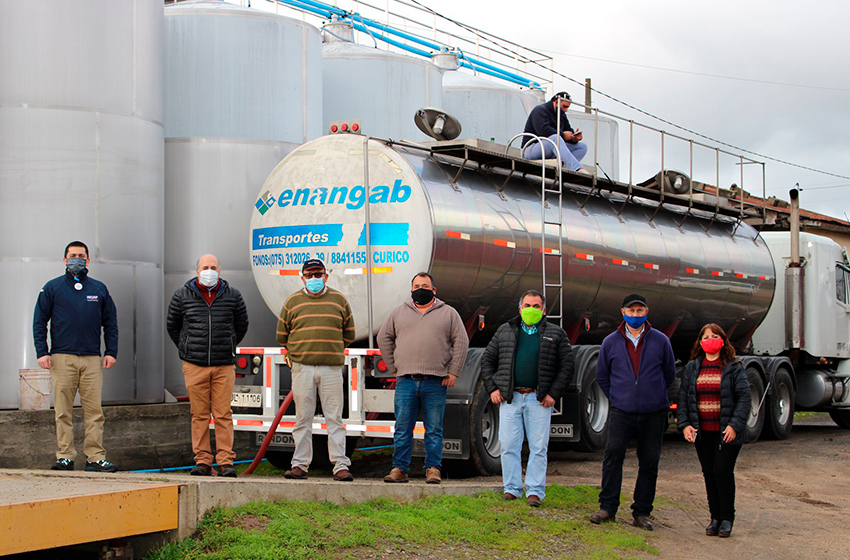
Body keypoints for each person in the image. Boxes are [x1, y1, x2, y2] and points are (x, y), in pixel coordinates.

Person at [481, 290, 574, 507]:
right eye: (527, 305)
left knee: (538, 447)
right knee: (509, 445)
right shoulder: (505, 331)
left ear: (543, 310)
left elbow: (567, 366)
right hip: (510, 399)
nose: (531, 309)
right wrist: (493, 388)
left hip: (539, 400)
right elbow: (487, 361)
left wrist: (553, 393)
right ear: (519, 308)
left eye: (536, 306)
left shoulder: (556, 334)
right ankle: (512, 488)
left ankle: (535, 491)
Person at [591, 293, 676, 530]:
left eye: (640, 311)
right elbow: (602, 376)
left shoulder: (661, 341)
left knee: (649, 462)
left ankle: (641, 513)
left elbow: (669, 374)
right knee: (613, 457)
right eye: (631, 311)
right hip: (622, 412)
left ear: (647, 312)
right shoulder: (611, 342)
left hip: (653, 413)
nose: (635, 315)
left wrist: (652, 395)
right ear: (623, 313)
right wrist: (619, 397)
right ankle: (607, 508)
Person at [33, 241, 119, 473]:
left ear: (88, 260)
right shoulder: (52, 288)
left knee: (94, 412)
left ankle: (95, 457)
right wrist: (42, 352)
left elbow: (110, 322)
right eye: (72, 255)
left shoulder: (99, 289)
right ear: (64, 260)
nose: (77, 259)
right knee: (63, 411)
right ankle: (64, 456)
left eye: (81, 255)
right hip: (62, 358)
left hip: (91, 359)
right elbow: (39, 321)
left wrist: (111, 351)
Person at [378, 272, 469, 484]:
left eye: (425, 285)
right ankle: (399, 469)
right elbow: (384, 337)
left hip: (435, 382)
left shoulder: (448, 313)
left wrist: (454, 371)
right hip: (406, 381)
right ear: (411, 290)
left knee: (434, 429)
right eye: (417, 285)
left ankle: (433, 469)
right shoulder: (399, 312)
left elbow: (461, 341)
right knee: (402, 428)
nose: (421, 289)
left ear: (434, 290)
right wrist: (393, 367)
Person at [167, 254, 249, 477]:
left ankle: (225, 461)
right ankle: (203, 460)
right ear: (197, 271)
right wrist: (187, 348)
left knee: (223, 414)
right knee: (199, 414)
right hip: (195, 364)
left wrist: (228, 346)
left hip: (224, 365)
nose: (209, 270)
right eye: (205, 267)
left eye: (213, 267)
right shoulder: (182, 295)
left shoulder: (233, 295)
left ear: (219, 271)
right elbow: (173, 325)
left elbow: (241, 325)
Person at [276, 259, 356, 481]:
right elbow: (281, 335)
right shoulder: (292, 302)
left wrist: (329, 350)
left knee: (335, 418)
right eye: (309, 276)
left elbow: (349, 333)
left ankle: (340, 465)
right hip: (302, 369)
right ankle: (300, 465)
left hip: (331, 369)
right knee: (303, 418)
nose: (314, 279)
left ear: (326, 276)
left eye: (318, 274)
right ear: (302, 278)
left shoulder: (339, 300)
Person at [678, 324, 751, 538]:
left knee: (722, 472)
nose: (710, 339)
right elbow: (684, 398)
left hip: (726, 432)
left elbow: (744, 399)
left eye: (714, 336)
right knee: (709, 473)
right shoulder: (693, 367)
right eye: (706, 336)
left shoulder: (734, 367)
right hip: (703, 432)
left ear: (723, 340)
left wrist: (734, 425)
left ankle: (727, 518)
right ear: (700, 342)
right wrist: (685, 424)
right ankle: (715, 518)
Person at [522, 91, 588, 172]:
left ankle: (566, 167)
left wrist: (574, 138)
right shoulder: (540, 110)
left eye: (567, 107)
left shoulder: (562, 116)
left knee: (582, 146)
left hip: (551, 149)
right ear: (556, 102)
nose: (566, 110)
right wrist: (563, 135)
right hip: (531, 149)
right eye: (564, 106)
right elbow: (543, 131)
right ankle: (576, 168)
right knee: (555, 138)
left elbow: (568, 131)